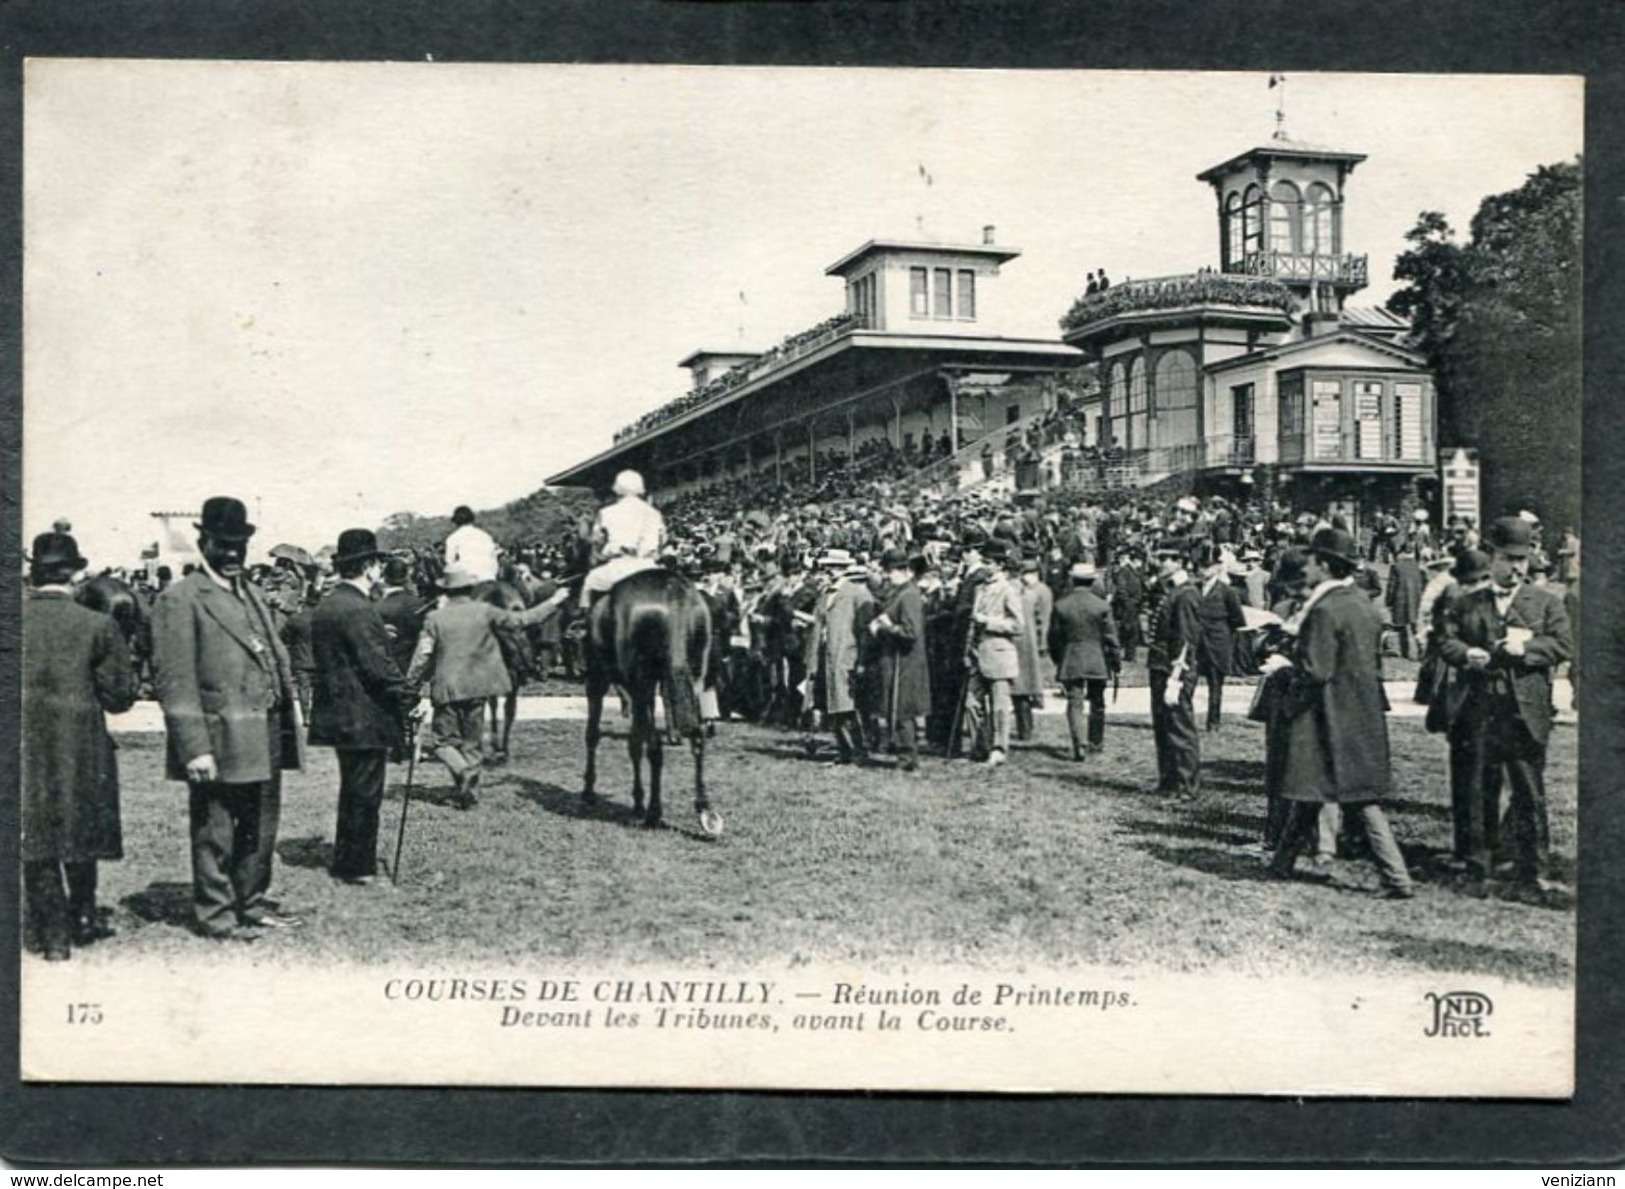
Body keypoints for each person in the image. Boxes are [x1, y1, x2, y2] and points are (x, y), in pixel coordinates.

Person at [151, 496, 305, 941]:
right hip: (219, 737)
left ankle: (251, 902)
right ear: (203, 542)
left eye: (240, 544)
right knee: (216, 829)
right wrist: (194, 748)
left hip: (267, 731)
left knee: (260, 826)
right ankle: (217, 915)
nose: (233, 553)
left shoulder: (253, 593)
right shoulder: (181, 599)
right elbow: (175, 681)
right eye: (223, 544)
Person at [1264, 527, 1415, 899]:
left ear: (1325, 566)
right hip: (1358, 710)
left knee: (1357, 799)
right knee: (1312, 788)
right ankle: (1281, 863)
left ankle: (1397, 878)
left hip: (1325, 714)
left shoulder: (1326, 610)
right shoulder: (1363, 603)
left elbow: (1316, 670)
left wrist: (1283, 667)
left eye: (1313, 561)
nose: (1308, 567)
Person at [1437, 517, 1572, 895]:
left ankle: (1533, 868)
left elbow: (1563, 645)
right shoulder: (1467, 603)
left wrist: (1526, 650)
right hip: (1479, 710)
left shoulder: (1545, 602)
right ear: (1491, 556)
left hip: (1524, 712)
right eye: (1509, 558)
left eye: (1523, 559)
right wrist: (1467, 655)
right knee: (1480, 788)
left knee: (1529, 792)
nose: (1517, 566)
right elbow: (1445, 642)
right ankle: (1479, 864)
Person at [22, 531, 139, 960]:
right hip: (82, 747)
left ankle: (53, 940)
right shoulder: (98, 624)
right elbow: (119, 698)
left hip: (23, 748)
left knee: (33, 837)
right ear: (73, 574)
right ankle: (83, 915)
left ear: (34, 572)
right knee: (78, 829)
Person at [405, 566, 571, 807]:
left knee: (443, 742)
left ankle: (463, 773)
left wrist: (411, 682)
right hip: (480, 686)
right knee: (472, 742)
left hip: (448, 687)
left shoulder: (435, 618)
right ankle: (468, 794)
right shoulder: (485, 611)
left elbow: (423, 654)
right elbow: (523, 620)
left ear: (445, 591)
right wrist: (554, 601)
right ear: (470, 590)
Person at [307, 529, 417, 885]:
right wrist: (410, 696)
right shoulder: (359, 608)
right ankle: (358, 866)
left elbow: (348, 650)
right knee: (365, 793)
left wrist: (377, 632)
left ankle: (349, 860)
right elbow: (376, 666)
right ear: (369, 566)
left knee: (353, 788)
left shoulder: (330, 604)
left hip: (337, 712)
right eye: (377, 565)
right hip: (363, 713)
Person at [805, 549, 876, 765]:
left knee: (847, 705)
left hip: (846, 653)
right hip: (826, 653)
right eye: (829, 567)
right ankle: (843, 749)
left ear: (846, 569)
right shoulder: (826, 594)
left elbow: (865, 630)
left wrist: (861, 658)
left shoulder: (858, 593)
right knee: (831, 702)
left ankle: (858, 750)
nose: (832, 571)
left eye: (836, 567)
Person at [1048, 560, 1120, 761]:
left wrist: (1059, 659)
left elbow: (1054, 639)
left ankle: (1079, 743)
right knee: (1098, 702)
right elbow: (1111, 637)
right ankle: (1096, 743)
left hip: (1071, 657)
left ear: (1073, 580)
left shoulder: (1062, 605)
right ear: (1092, 581)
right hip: (1097, 658)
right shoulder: (1101, 606)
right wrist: (1116, 662)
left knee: (1075, 702)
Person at [1145, 546, 1203, 798]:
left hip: (1174, 669)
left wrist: (1175, 677)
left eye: (1167, 559)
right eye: (1160, 557)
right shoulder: (1171, 591)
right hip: (1160, 666)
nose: (1161, 563)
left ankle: (1186, 786)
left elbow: (1185, 640)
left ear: (1180, 561)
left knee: (1180, 727)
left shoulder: (1186, 594)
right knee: (1163, 726)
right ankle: (1168, 780)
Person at [963, 541, 1026, 767]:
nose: (985, 565)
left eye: (988, 562)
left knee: (1000, 706)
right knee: (971, 702)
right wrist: (967, 648)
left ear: (1000, 565)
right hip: (977, 653)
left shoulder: (1008, 590)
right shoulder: (979, 588)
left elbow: (1019, 625)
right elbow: (972, 621)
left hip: (999, 654)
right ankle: (980, 744)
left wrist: (989, 622)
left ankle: (999, 748)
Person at [869, 547, 930, 772]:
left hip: (905, 661)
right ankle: (904, 753)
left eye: (889, 571)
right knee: (897, 708)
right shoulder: (900, 592)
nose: (886, 575)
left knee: (904, 710)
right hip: (896, 659)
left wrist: (886, 628)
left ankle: (908, 757)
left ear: (900, 570)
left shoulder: (910, 595)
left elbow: (911, 632)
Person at [580, 470, 666, 609]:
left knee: (589, 581)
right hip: (648, 565)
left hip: (620, 566)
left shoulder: (606, 512)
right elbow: (662, 539)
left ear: (618, 488)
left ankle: (583, 624)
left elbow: (597, 542)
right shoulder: (654, 513)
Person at [1193, 541, 1246, 731]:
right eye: (1201, 566)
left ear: (1217, 567)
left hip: (1217, 644)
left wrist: (1223, 636)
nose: (1204, 571)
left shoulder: (1227, 592)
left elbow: (1237, 620)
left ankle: (1213, 721)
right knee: (1188, 682)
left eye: (1208, 567)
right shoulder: (1193, 589)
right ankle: (1185, 718)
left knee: (1215, 685)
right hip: (1195, 644)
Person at [1011, 554, 1053, 742]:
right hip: (1026, 645)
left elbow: (1044, 620)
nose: (1024, 577)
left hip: (1032, 645)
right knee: (1024, 686)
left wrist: (1042, 643)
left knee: (1025, 687)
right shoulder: (1026, 591)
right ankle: (1025, 726)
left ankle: (1025, 727)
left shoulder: (1040, 592)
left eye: (1027, 573)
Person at [443, 505, 500, 587]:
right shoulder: (486, 535)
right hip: (490, 575)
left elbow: (449, 561)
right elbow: (493, 556)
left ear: (456, 522)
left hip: (468, 579)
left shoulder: (452, 538)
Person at [1386, 547, 1426, 660]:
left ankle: (1404, 652)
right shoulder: (1419, 567)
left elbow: (1391, 586)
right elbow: (1425, 583)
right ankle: (1421, 649)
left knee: (1401, 628)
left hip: (1400, 600)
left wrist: (1388, 601)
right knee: (1416, 627)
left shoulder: (1396, 566)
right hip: (1416, 600)